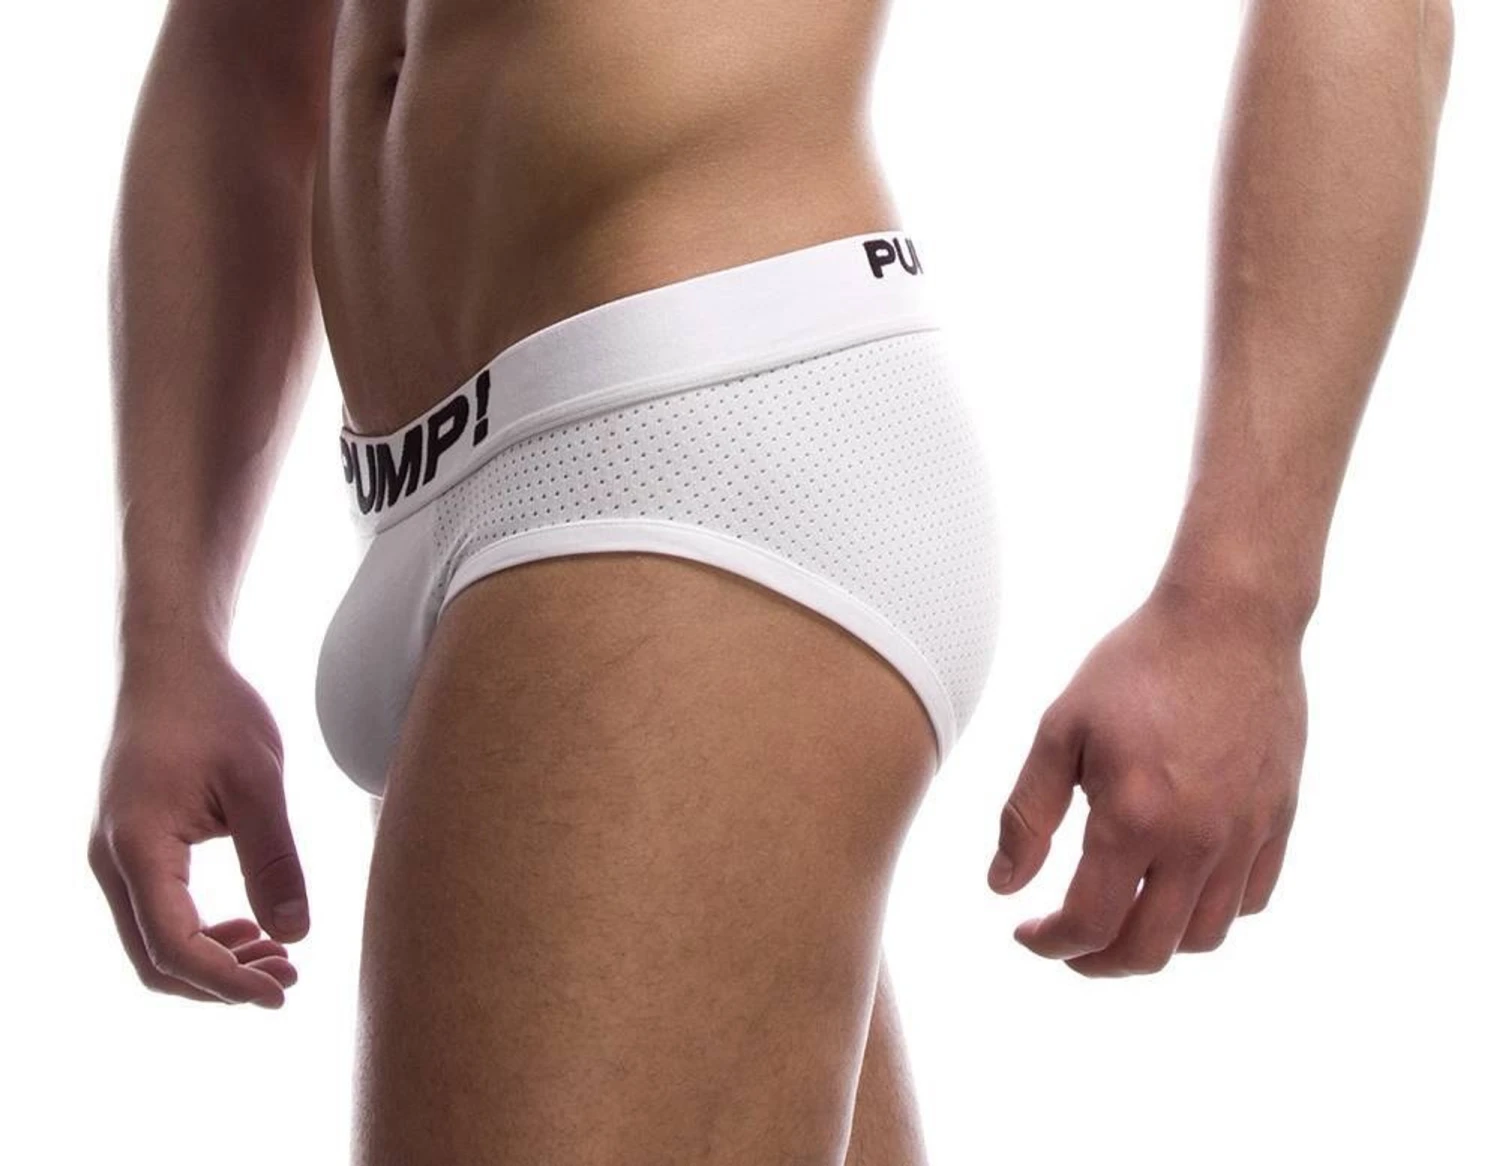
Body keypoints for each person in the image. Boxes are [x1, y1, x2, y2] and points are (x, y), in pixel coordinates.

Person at [86, 1, 1454, 1162]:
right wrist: (168, 628)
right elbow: (237, 54)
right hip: (441, 497)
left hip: (686, 421)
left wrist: (1241, 600)